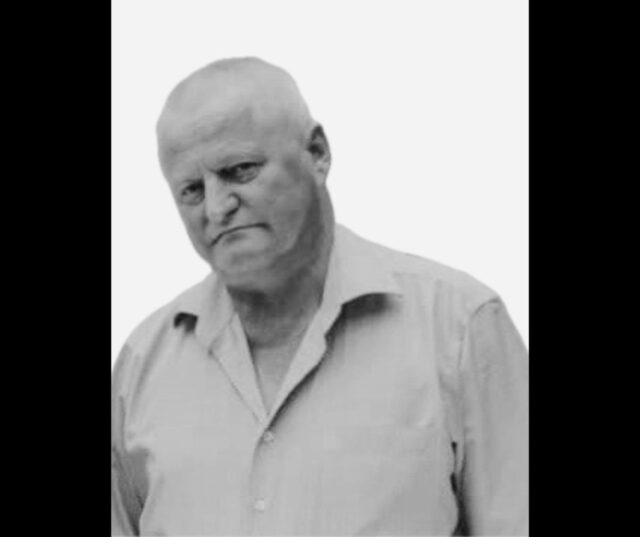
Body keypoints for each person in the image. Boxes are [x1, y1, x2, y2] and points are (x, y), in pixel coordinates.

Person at [111, 57, 528, 536]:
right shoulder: (142, 367)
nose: (216, 207)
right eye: (190, 190)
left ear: (317, 153)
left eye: (239, 170)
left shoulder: (458, 329)